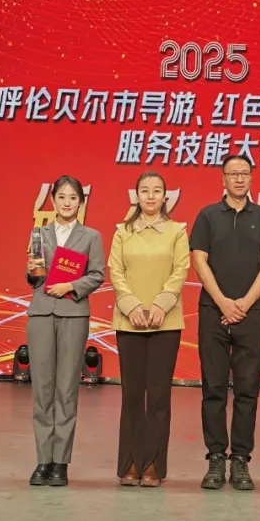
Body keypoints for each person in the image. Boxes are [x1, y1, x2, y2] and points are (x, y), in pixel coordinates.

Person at [190, 155, 260, 490]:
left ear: (252, 178)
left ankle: (241, 459)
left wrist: (244, 303)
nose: (239, 179)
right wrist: (223, 302)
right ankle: (216, 457)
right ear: (223, 179)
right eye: (233, 174)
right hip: (212, 312)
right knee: (213, 388)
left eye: (244, 173)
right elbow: (199, 261)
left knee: (247, 389)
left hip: (251, 314)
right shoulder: (207, 215)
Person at [108, 172, 190, 488]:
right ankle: (130, 462)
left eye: (157, 191)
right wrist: (131, 306)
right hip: (129, 322)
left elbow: (180, 270)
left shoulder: (177, 231)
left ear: (165, 197)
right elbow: (116, 271)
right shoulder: (122, 232)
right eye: (145, 191)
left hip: (164, 322)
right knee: (131, 395)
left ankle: (154, 463)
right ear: (137, 196)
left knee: (157, 395)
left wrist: (160, 304)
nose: (151, 196)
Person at [25, 175, 106, 488]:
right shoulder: (38, 233)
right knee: (42, 389)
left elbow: (97, 275)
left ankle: (60, 462)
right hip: (41, 313)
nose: (67, 202)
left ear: (81, 203)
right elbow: (32, 277)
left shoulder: (91, 236)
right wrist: (32, 270)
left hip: (73, 313)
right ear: (53, 200)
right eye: (62, 197)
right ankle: (42, 459)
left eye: (73, 197)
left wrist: (70, 285)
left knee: (66, 389)